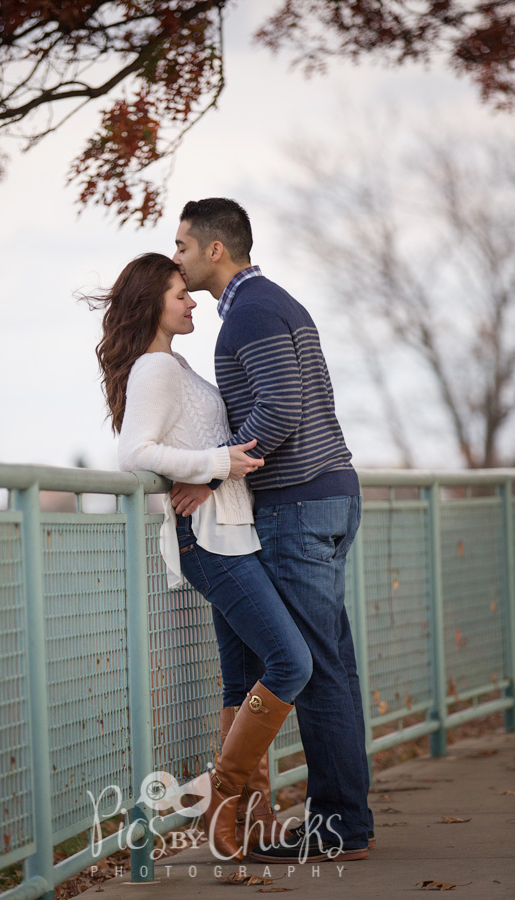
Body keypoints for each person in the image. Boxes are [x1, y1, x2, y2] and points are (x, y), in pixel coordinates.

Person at [92, 251, 314, 861]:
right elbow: (134, 453)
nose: (193, 301)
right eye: (179, 294)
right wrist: (217, 464)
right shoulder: (154, 370)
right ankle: (222, 796)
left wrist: (218, 464)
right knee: (291, 662)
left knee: (244, 680)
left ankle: (251, 818)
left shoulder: (176, 364)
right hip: (208, 540)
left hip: (233, 532)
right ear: (151, 304)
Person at [171, 198, 374, 863]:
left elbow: (281, 406)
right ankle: (347, 820)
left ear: (215, 250)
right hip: (330, 497)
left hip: (297, 506)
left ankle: (338, 827)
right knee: (330, 667)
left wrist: (211, 468)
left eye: (182, 247)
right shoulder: (276, 303)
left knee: (313, 672)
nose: (177, 258)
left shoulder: (252, 312)